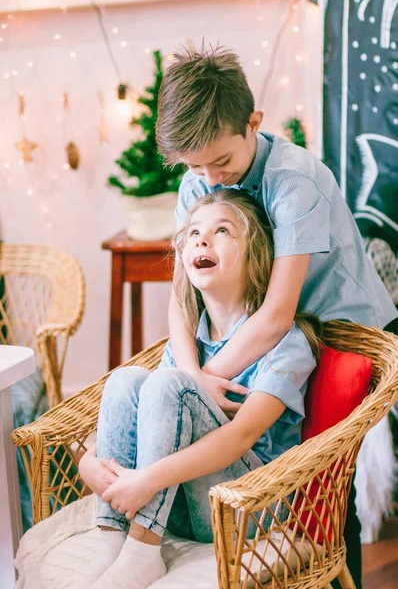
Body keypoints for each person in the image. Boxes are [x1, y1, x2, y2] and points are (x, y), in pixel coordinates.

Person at [155, 45, 398, 589]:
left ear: (253, 123)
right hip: (268, 334)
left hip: (339, 330)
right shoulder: (196, 180)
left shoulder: (294, 181)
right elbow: (180, 296)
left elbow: (276, 315)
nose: (209, 180)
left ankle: (333, 569)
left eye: (222, 162)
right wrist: (188, 376)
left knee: (327, 487)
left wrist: (200, 381)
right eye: (195, 167)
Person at [78, 189, 322, 589]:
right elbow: (145, 419)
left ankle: (142, 551)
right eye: (193, 233)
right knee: (127, 379)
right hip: (174, 502)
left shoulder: (287, 343)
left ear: (255, 254)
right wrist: (90, 460)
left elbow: (242, 436)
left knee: (170, 384)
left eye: (221, 230)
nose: (201, 240)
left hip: (247, 506)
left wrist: (146, 481)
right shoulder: (187, 343)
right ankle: (113, 539)